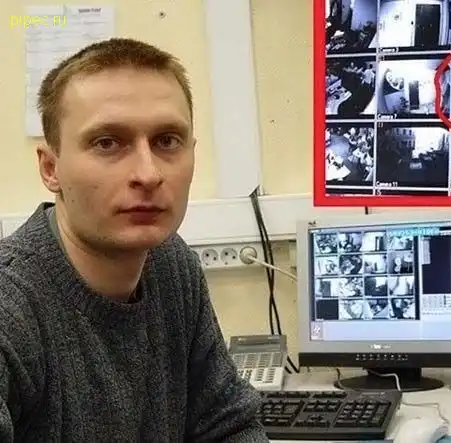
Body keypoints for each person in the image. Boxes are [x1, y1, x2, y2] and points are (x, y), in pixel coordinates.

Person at [0, 38, 269, 442]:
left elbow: (227, 425)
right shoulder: (11, 307)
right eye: (108, 143)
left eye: (167, 141)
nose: (148, 174)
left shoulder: (171, 264)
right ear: (51, 168)